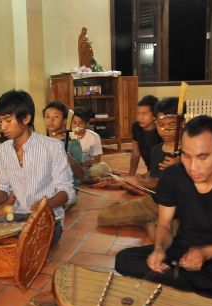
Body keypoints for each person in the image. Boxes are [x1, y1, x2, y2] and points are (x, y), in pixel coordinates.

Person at [115, 115, 212, 299]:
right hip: (183, 252)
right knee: (124, 259)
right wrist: (159, 249)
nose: (193, 167)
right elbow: (164, 225)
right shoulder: (172, 176)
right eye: (186, 156)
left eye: (202, 157)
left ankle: (181, 285)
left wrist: (205, 253)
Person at [0, 90, 75, 245]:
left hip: (48, 221)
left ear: (26, 118)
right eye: (0, 120)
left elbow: (67, 192)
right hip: (18, 218)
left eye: (8, 120)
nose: (3, 126)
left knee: (20, 241)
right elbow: (4, 188)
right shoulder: (3, 149)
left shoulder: (52, 147)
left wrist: (45, 205)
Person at [97, 97, 182, 240]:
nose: (165, 130)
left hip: (178, 208)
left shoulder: (191, 149)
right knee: (104, 216)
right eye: (161, 124)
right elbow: (155, 182)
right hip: (153, 202)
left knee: (166, 239)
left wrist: (181, 166)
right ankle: (145, 220)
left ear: (182, 123)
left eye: (171, 125)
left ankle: (146, 223)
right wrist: (135, 181)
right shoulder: (157, 150)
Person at [43, 101, 84, 209]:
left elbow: (81, 176)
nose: (50, 120)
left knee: (52, 208)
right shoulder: (41, 143)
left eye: (56, 117)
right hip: (46, 189)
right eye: (47, 117)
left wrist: (70, 160)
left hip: (66, 191)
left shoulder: (73, 143)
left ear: (64, 121)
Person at [71, 108, 111, 184]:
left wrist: (81, 165)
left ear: (87, 124)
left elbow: (97, 160)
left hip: (88, 168)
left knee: (103, 168)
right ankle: (86, 179)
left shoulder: (94, 136)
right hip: (72, 168)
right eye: (74, 122)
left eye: (81, 123)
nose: (77, 126)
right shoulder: (67, 137)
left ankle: (81, 178)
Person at [128, 95, 162, 176]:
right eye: (138, 113)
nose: (140, 117)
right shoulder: (136, 126)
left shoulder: (161, 130)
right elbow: (136, 153)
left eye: (144, 114)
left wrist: (144, 176)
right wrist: (130, 176)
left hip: (162, 171)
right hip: (150, 170)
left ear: (154, 116)